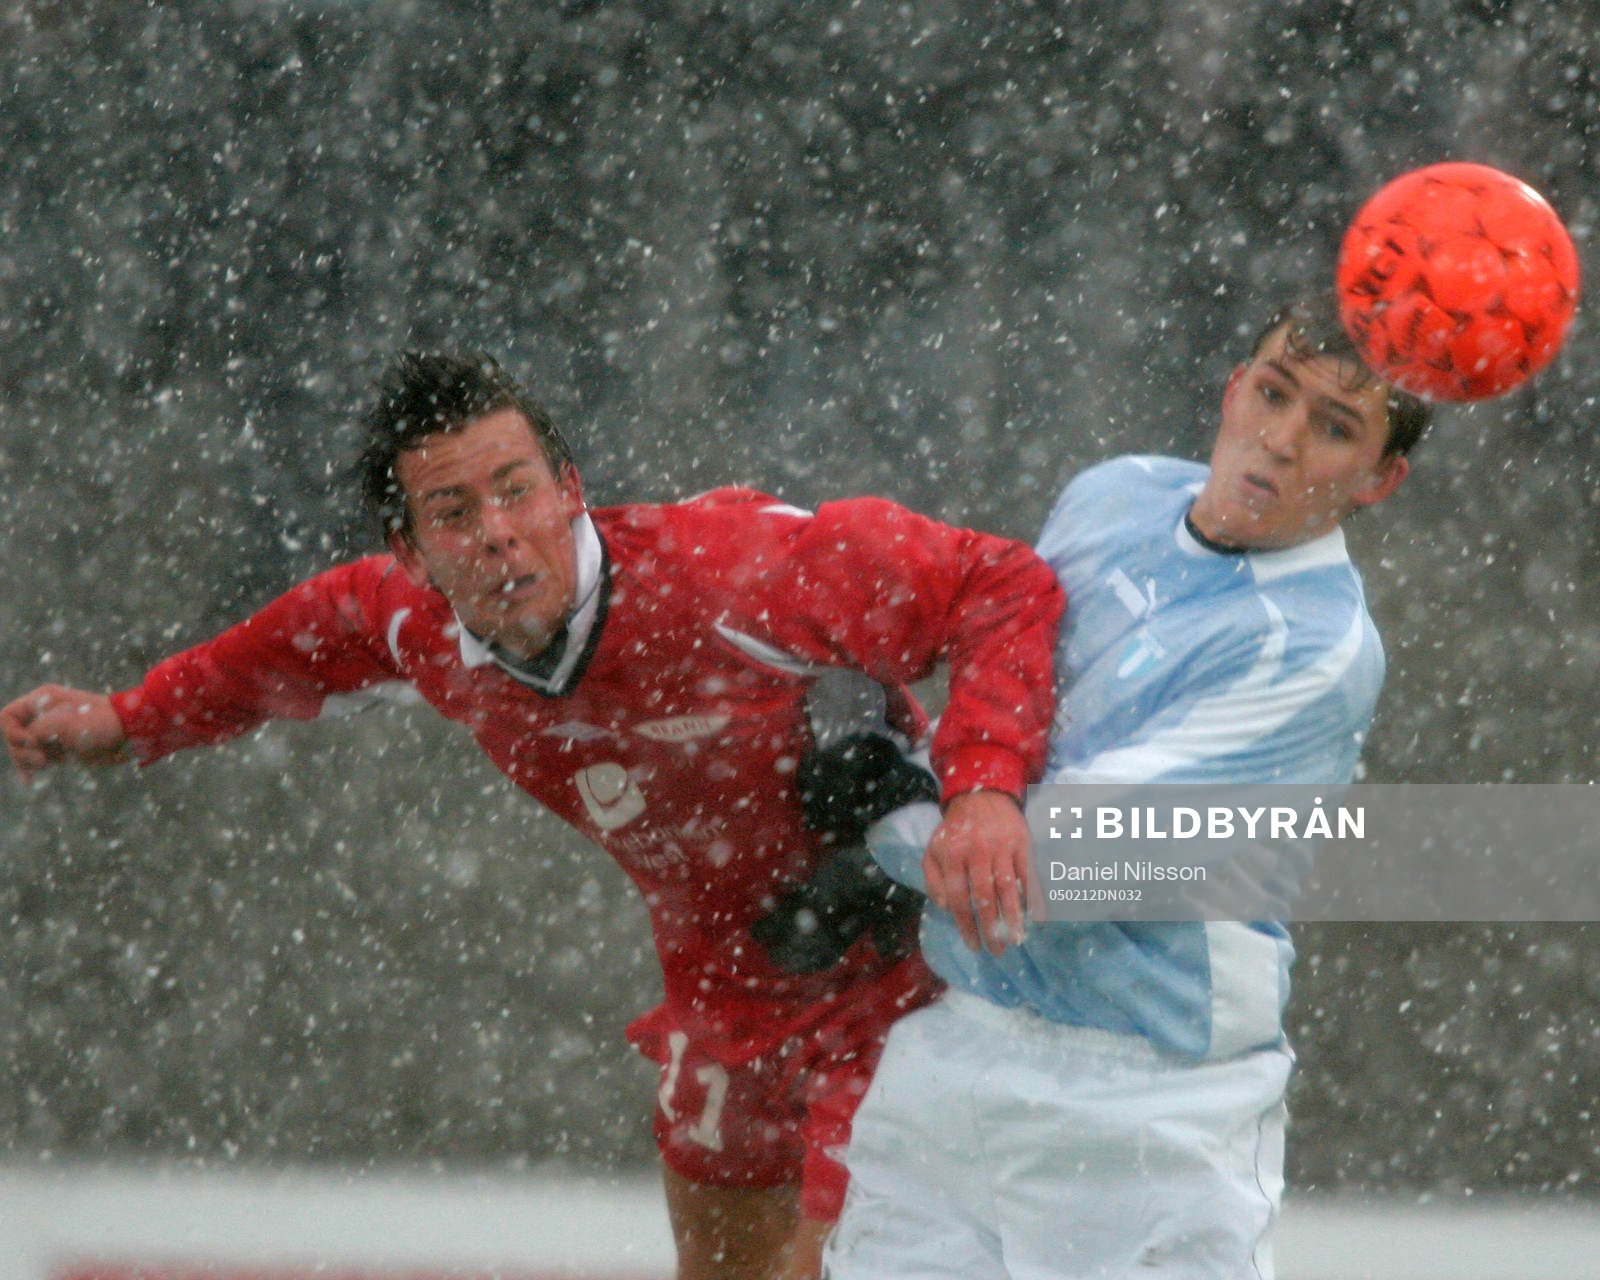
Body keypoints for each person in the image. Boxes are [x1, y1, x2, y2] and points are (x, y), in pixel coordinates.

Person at [1, 351, 1063, 1280]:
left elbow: (1001, 582)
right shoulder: (417, 626)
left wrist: (978, 789)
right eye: (455, 514)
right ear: (413, 550)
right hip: (724, 993)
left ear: (570, 491)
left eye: (515, 491)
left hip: (890, 978)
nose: (498, 535)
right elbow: (294, 642)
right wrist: (128, 719)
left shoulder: (730, 574)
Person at [825, 293, 1431, 1280]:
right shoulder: (1114, 493)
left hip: (1142, 1097)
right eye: (1272, 393)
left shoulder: (1316, 648)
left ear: (1379, 476)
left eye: (1332, 427)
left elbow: (1057, 862)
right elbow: (1005, 718)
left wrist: (884, 807)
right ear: (1234, 386)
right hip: (958, 1040)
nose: (1278, 441)